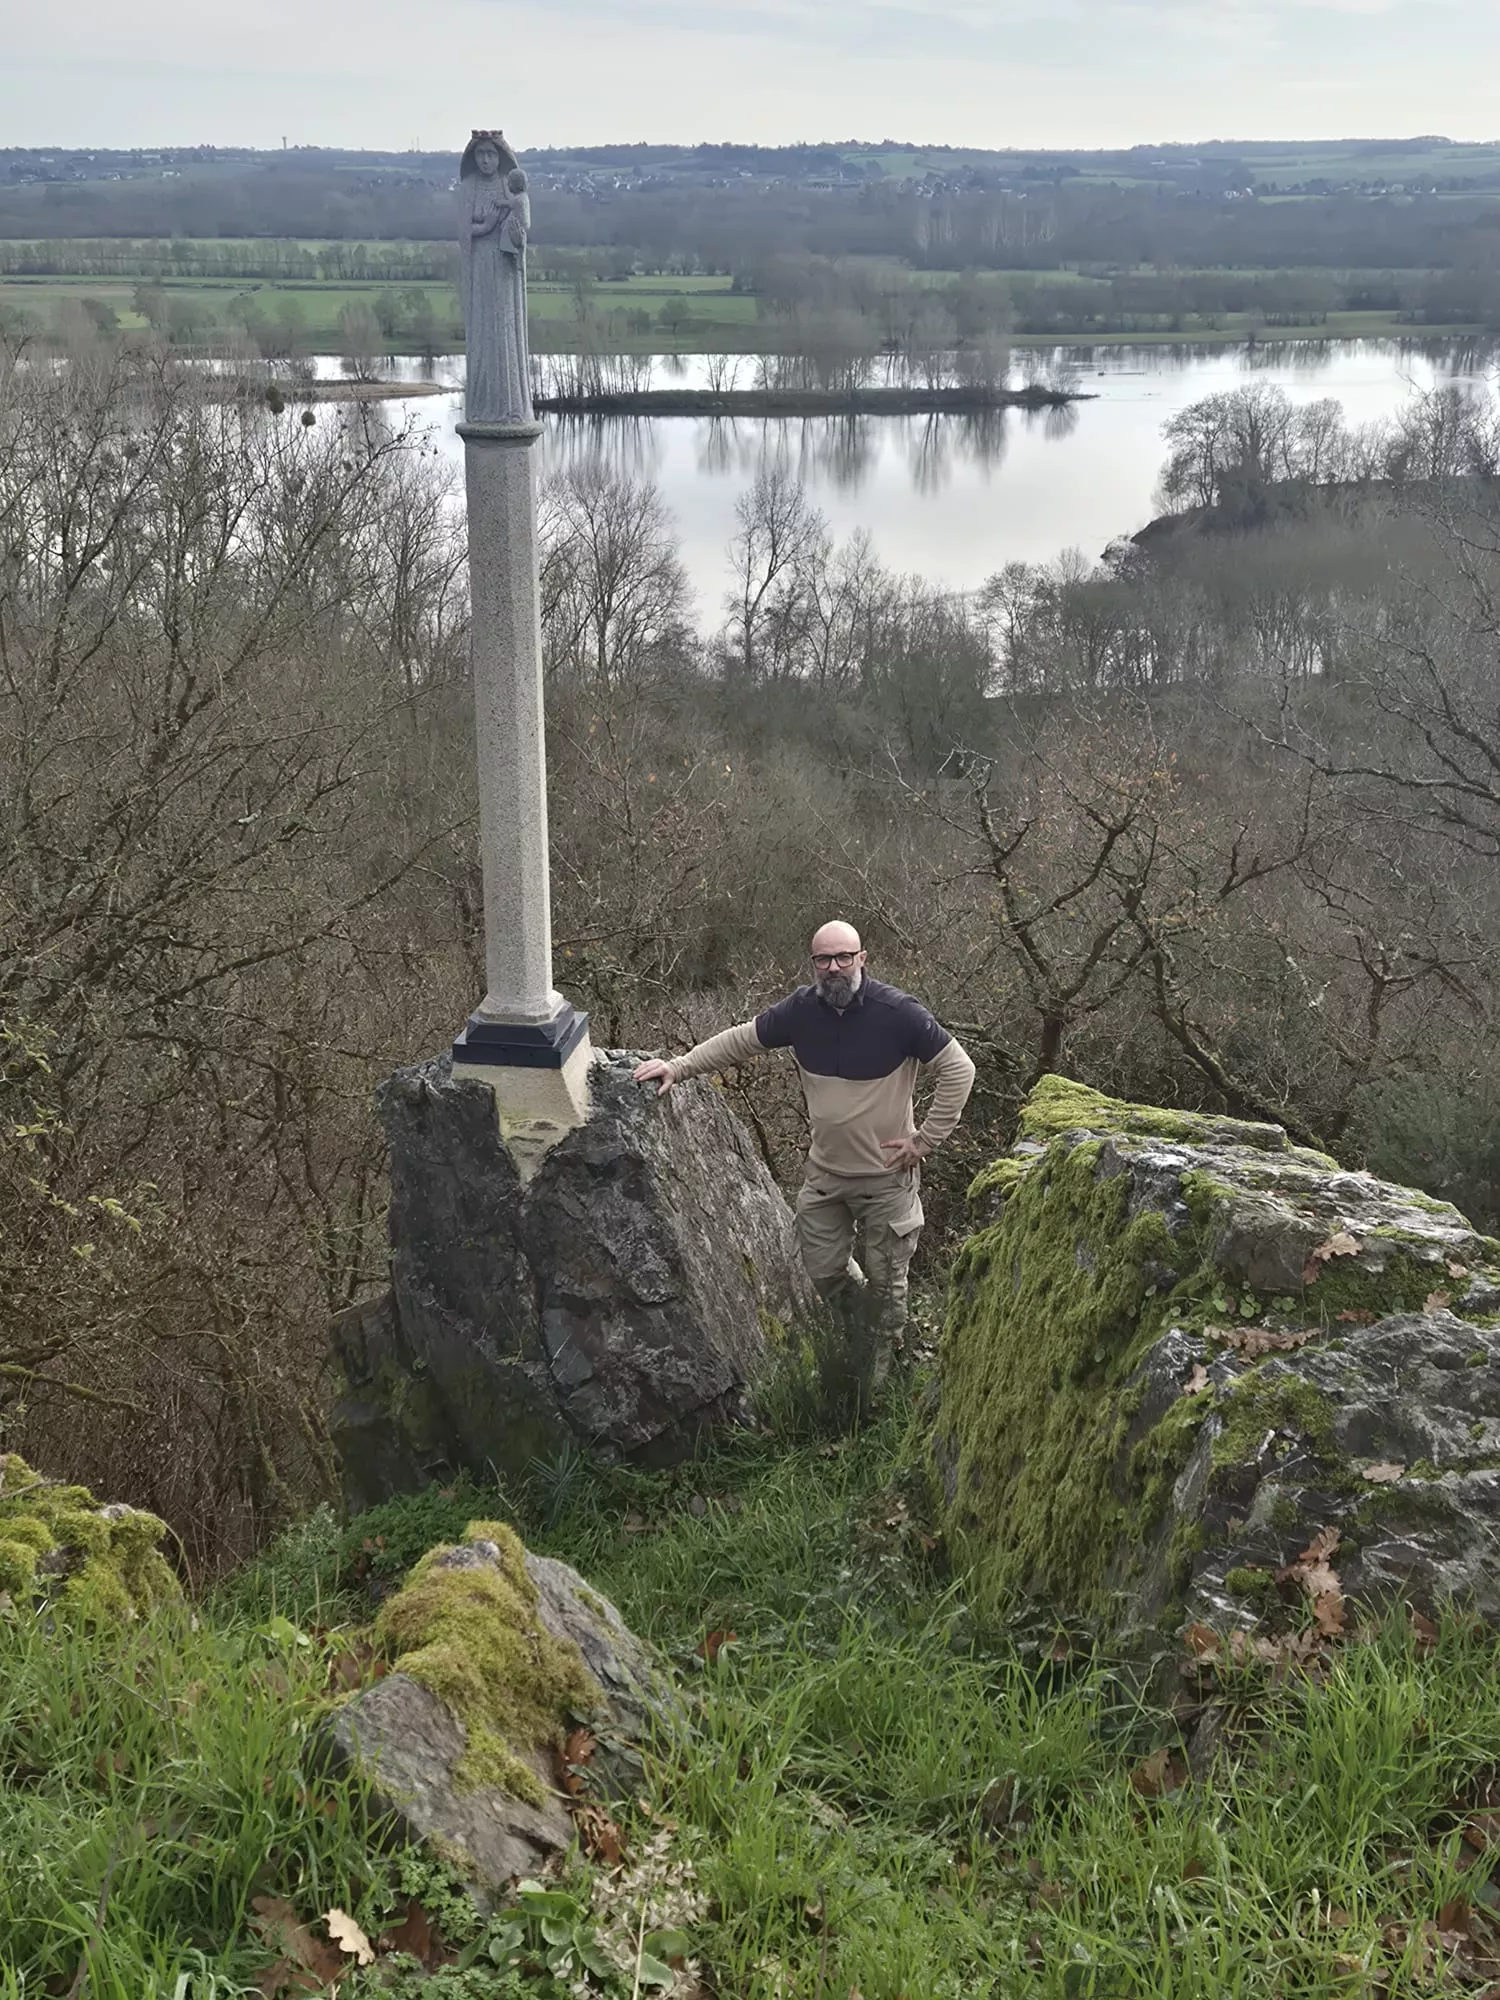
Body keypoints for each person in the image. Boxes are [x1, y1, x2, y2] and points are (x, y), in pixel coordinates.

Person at [633, 921, 976, 1389]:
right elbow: (739, 1040)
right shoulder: (800, 1011)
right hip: (826, 1175)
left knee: (887, 1278)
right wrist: (678, 1066)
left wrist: (925, 1140)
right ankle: (866, 1326)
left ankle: (878, 1381)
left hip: (886, 1178)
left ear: (863, 958)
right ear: (812, 963)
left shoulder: (899, 1014)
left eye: (843, 957)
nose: (833, 968)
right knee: (823, 1268)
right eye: (822, 959)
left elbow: (959, 1068)